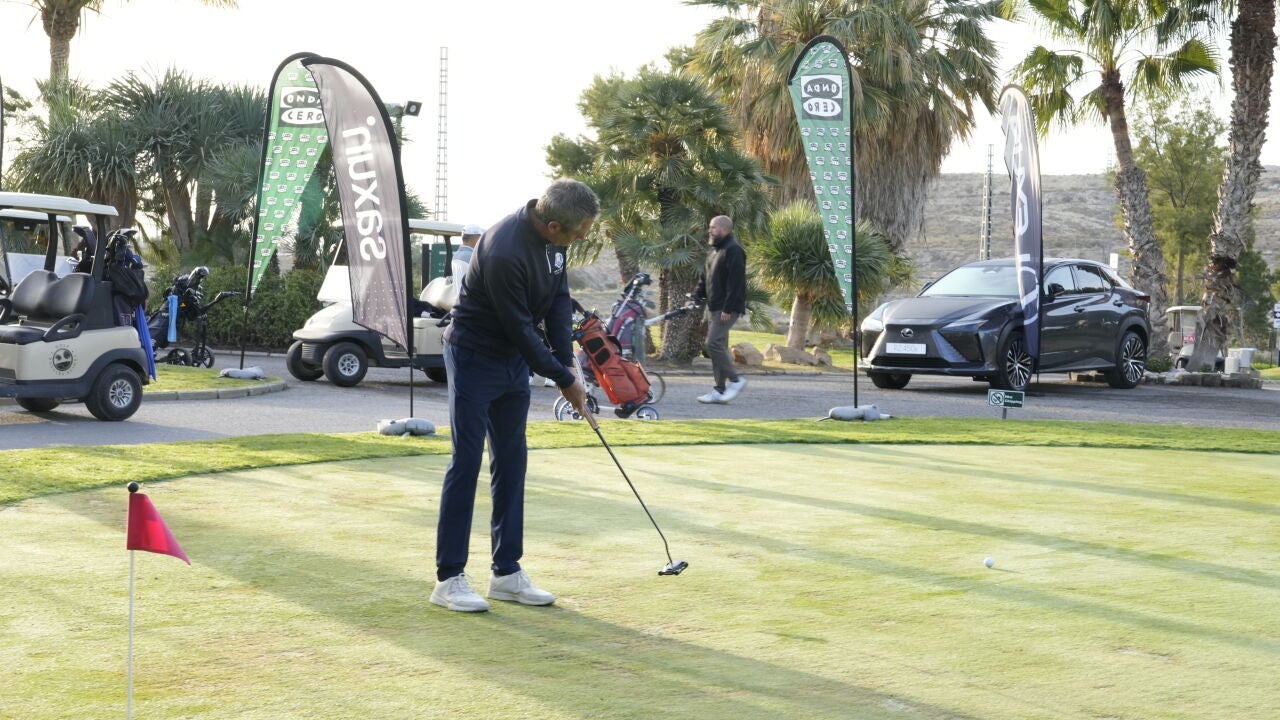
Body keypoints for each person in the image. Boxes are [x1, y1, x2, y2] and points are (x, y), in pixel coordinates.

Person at [431, 179, 595, 613]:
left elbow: (559, 301)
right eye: (578, 233)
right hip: (473, 356)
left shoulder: (554, 242)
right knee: (467, 461)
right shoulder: (504, 248)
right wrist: (562, 379)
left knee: (511, 459)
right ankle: (449, 578)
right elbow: (520, 328)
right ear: (554, 225)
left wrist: (568, 364)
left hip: (512, 360)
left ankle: (506, 573)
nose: (580, 239)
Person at [694, 215, 747, 404]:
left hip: (727, 309)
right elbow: (705, 279)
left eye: (713, 227)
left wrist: (728, 308)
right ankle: (719, 391)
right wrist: (696, 297)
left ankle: (736, 380)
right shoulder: (714, 252)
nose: (710, 230)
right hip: (714, 307)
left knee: (713, 343)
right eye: (710, 227)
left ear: (724, 229)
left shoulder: (734, 250)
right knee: (719, 347)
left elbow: (736, 282)